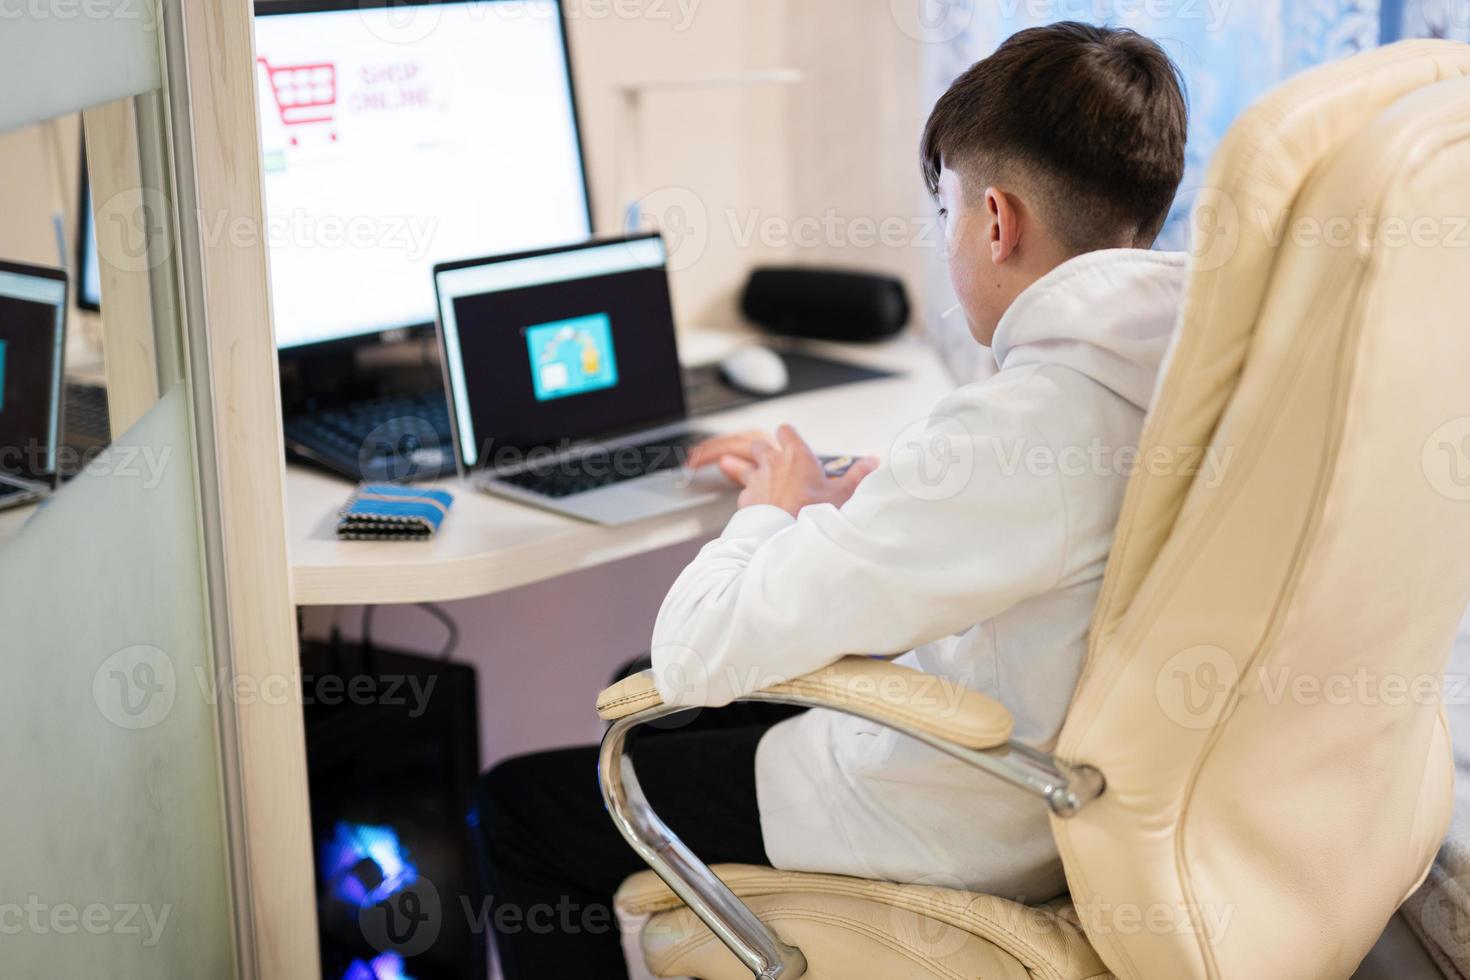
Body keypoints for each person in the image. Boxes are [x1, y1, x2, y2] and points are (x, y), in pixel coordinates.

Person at [475, 21, 1190, 978]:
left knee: (531, 797)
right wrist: (877, 493)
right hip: (1068, 769)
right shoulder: (1181, 372)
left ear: (995, 221)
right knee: (636, 682)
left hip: (960, 808)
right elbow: (1021, 511)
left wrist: (771, 507)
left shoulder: (1023, 424)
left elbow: (698, 649)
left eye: (945, 210)